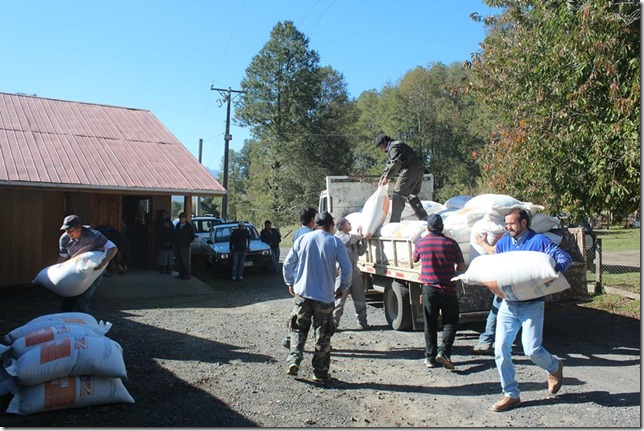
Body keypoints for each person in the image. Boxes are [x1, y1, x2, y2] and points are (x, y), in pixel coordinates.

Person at [475, 207, 572, 412]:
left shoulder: (539, 242)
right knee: (500, 349)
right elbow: (495, 266)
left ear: (524, 223)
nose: (507, 227)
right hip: (508, 305)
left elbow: (564, 258)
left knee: (532, 350)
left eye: (511, 223)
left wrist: (552, 270)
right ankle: (511, 394)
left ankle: (555, 367)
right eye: (506, 224)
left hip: (532, 305)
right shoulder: (503, 243)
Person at [282, 211, 352, 382]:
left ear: (315, 224)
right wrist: (342, 287)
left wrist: (290, 283)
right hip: (325, 297)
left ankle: (294, 360)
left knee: (298, 328)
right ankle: (319, 372)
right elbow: (347, 269)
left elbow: (287, 264)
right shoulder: (335, 242)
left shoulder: (302, 239)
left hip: (303, 294)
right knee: (323, 334)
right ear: (331, 225)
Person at [412, 214, 466, 370]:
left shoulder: (421, 243)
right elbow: (462, 267)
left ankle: (430, 358)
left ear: (428, 227)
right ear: (442, 227)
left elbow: (414, 259)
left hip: (429, 289)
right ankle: (444, 352)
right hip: (448, 289)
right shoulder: (451, 243)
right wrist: (453, 270)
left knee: (430, 324)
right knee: (450, 322)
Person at [57, 215, 118, 314]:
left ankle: (82, 325)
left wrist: (104, 262)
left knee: (82, 298)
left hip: (93, 271)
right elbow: (63, 257)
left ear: (79, 227)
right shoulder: (64, 239)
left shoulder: (94, 235)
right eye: (66, 230)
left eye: (71, 230)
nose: (68, 233)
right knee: (68, 297)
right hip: (75, 269)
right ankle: (66, 323)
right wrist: (58, 272)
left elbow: (113, 248)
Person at [282, 207, 318, 349]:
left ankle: (289, 337)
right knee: (310, 310)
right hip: (307, 277)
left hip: (297, 276)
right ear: (312, 220)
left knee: (298, 308)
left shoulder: (298, 232)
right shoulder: (312, 235)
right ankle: (315, 340)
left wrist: (290, 282)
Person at [375, 134, 428, 223]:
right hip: (419, 170)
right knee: (412, 195)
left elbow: (396, 163)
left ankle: (394, 223)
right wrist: (383, 176)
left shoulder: (394, 147)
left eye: (381, 146)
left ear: (384, 142)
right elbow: (389, 163)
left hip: (409, 170)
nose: (381, 149)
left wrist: (387, 177)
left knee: (398, 194)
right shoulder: (396, 146)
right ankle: (425, 219)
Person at [332, 217, 369, 329]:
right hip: (342, 273)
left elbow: (361, 251)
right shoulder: (339, 237)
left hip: (355, 272)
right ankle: (333, 324)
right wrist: (360, 236)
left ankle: (362, 322)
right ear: (342, 226)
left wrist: (364, 240)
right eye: (348, 223)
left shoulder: (352, 238)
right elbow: (351, 239)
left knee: (360, 298)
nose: (350, 224)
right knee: (339, 300)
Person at [174, 212, 195, 280]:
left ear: (185, 218)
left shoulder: (188, 226)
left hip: (184, 246)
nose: (181, 219)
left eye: (182, 218)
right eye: (180, 217)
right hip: (177, 245)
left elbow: (192, 236)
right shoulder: (177, 225)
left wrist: (187, 242)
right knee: (178, 260)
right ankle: (181, 273)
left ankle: (187, 275)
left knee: (184, 261)